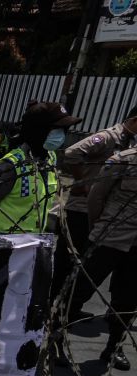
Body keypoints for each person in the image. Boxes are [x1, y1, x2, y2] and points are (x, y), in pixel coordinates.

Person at [58, 106, 137, 322]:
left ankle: (71, 310)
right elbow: (72, 153)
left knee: (86, 266)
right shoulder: (107, 137)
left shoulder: (129, 144)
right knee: (72, 263)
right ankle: (58, 311)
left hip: (103, 212)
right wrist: (83, 183)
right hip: (83, 208)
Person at [0, 101, 80, 237]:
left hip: (30, 246)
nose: (61, 135)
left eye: (64, 130)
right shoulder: (11, 166)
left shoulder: (50, 159)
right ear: (39, 130)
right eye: (56, 130)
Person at [84, 145, 137, 370]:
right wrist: (98, 229)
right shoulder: (124, 160)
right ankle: (55, 339)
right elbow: (96, 197)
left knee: (127, 300)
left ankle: (114, 348)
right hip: (109, 237)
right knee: (81, 289)